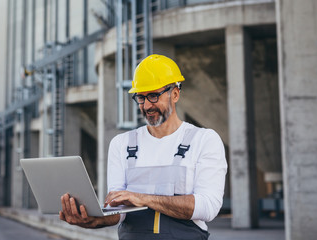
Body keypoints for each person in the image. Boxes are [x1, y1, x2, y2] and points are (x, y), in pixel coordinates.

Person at [59, 54, 227, 239]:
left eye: (153, 96)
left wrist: (143, 198)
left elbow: (208, 206)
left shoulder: (204, 140)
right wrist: (96, 220)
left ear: (175, 94)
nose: (146, 105)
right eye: (140, 97)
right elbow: (119, 211)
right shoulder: (122, 144)